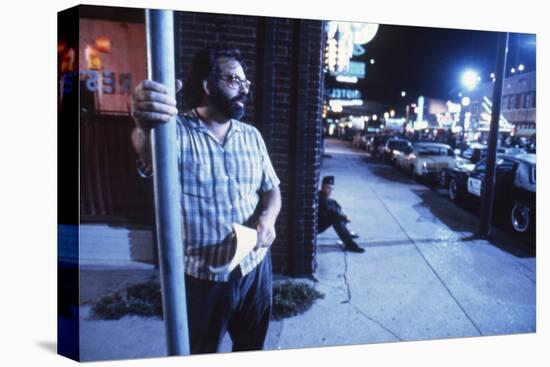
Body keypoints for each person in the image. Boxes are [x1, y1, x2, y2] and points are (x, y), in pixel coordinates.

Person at [130, 47, 282, 354]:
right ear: (207, 84)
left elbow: (272, 190)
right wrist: (143, 125)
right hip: (203, 279)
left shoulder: (251, 135)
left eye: (245, 82)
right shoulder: (174, 131)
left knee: (253, 348)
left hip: (255, 268)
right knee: (201, 352)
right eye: (233, 80)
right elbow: (145, 150)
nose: (244, 89)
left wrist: (268, 219)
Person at [317, 176, 365, 253]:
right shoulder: (321, 199)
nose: (330, 191)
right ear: (323, 187)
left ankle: (346, 232)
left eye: (331, 188)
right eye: (328, 188)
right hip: (317, 227)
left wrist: (341, 214)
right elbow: (332, 212)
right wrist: (345, 217)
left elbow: (333, 209)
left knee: (334, 203)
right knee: (336, 219)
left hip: (319, 221)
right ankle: (350, 245)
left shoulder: (321, 195)